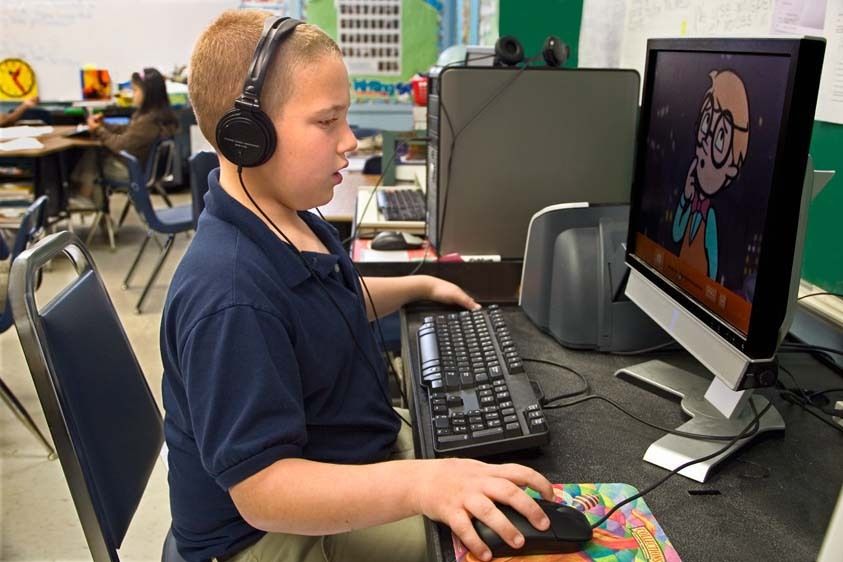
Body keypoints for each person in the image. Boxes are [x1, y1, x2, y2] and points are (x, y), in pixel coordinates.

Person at [162, 9, 555, 562]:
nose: (349, 140)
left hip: (344, 458)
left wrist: (417, 283)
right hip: (271, 533)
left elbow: (324, 303)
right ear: (246, 137)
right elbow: (262, 491)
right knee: (501, 548)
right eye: (327, 122)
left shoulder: (287, 216)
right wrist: (423, 484)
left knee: (503, 475)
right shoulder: (229, 295)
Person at [70, 67, 179, 207]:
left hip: (133, 172)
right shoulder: (155, 116)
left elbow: (120, 144)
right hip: (142, 168)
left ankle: (85, 198)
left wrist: (98, 130)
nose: (132, 94)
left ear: (149, 93)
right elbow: (127, 130)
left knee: (93, 155)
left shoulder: (148, 122)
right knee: (94, 155)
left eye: (135, 90)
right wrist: (103, 124)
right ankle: (88, 200)